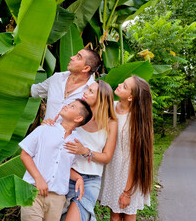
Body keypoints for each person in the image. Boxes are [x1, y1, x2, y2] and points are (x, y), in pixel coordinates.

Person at [19, 99, 93, 221]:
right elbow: (25, 155)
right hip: (33, 192)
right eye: (68, 104)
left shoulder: (77, 143)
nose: (66, 106)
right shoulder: (44, 129)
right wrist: (38, 178)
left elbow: (64, 168)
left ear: (78, 119)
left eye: (72, 106)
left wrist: (78, 178)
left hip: (57, 199)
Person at [60, 80, 118, 221]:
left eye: (91, 91)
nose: (85, 92)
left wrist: (85, 151)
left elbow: (107, 157)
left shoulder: (111, 123)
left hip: (90, 180)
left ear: (101, 99)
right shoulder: (77, 115)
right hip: (66, 174)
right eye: (87, 89)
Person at [98, 75, 154, 221]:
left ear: (130, 97)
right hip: (112, 167)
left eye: (124, 86)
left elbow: (137, 158)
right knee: (114, 215)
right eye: (122, 82)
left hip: (130, 172)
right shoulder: (111, 107)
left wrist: (128, 191)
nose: (119, 84)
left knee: (128, 213)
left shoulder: (136, 120)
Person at [31, 48, 101, 120]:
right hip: (45, 130)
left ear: (86, 68)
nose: (72, 57)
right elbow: (34, 91)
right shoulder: (57, 78)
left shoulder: (94, 92)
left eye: (78, 57)